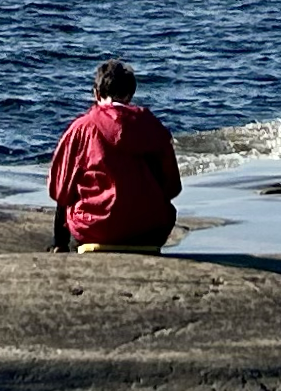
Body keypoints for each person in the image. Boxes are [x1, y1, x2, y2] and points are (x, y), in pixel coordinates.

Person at [46, 58, 181, 255]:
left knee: (67, 184)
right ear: (131, 94)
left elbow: (59, 190)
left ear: (96, 93)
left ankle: (59, 245)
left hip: (94, 229)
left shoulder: (82, 128)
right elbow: (172, 187)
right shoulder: (153, 128)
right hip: (149, 231)